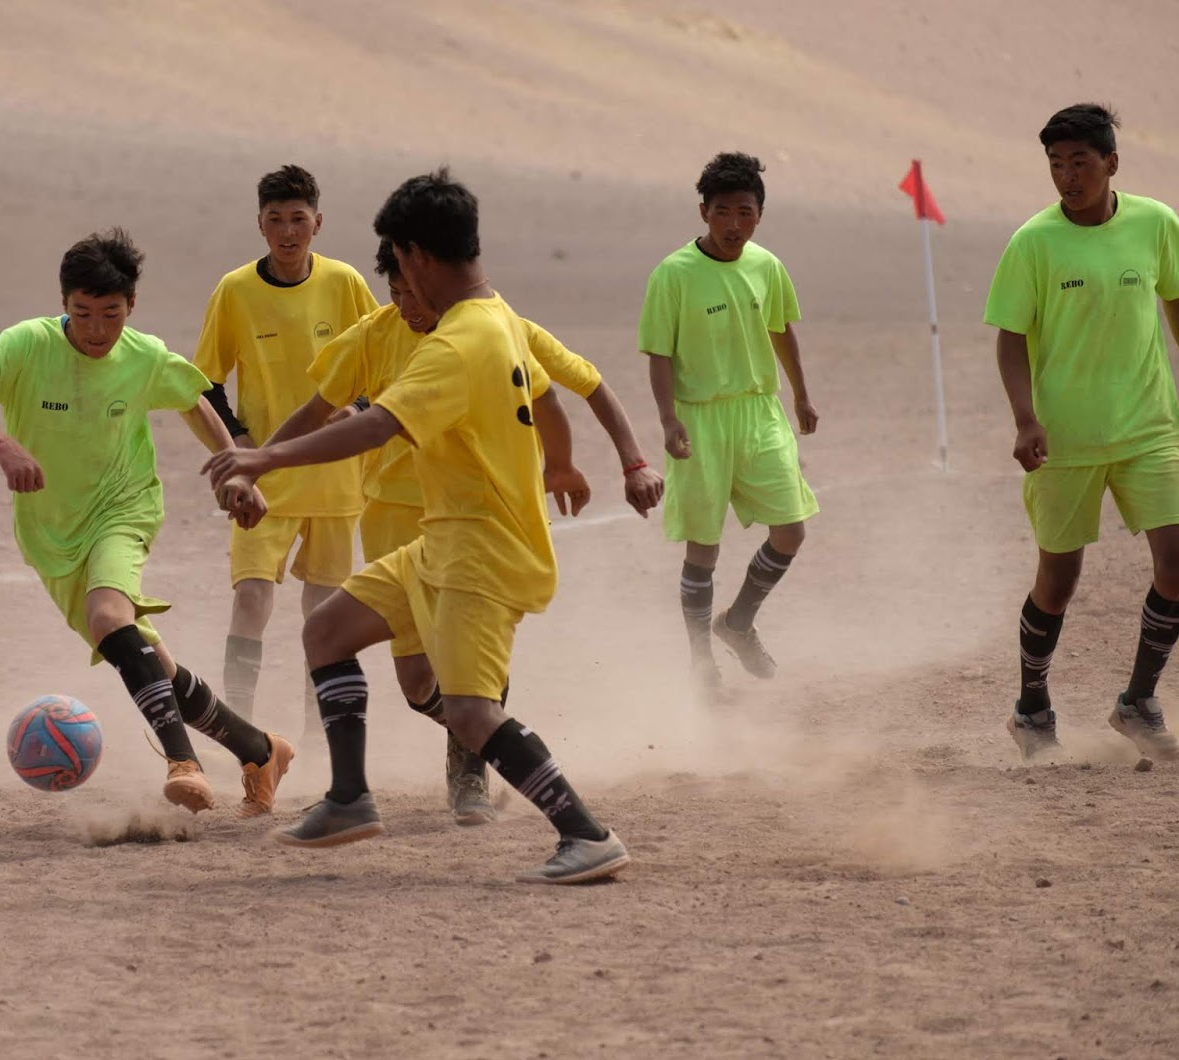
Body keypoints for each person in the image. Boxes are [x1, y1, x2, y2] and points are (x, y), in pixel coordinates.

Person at [205, 169, 630, 884]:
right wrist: (264, 462)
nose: (396, 282)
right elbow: (339, 406)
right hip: (444, 537)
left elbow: (376, 425)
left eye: (398, 265)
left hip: (482, 550)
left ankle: (585, 833)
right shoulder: (492, 318)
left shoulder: (459, 344)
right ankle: (348, 798)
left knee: (468, 713)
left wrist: (265, 454)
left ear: (417, 257)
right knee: (327, 632)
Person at [264, 236, 662, 824]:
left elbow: (570, 388)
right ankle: (454, 755)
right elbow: (320, 411)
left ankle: (472, 776)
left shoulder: (488, 331)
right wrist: (259, 468)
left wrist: (592, 462)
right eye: (394, 292)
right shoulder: (374, 335)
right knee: (414, 678)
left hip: (472, 525)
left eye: (411, 289)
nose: (407, 304)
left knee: (465, 680)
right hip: (392, 520)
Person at [0, 228, 293, 814]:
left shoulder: (142, 354)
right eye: (83, 313)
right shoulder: (24, 346)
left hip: (124, 508)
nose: (98, 329)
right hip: (50, 532)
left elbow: (194, 400)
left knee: (109, 617)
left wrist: (235, 471)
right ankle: (259, 749)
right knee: (140, 653)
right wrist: (4, 446)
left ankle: (184, 763)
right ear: (64, 304)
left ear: (132, 306)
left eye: (112, 314)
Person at [985, 103, 1179, 761]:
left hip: (1151, 427)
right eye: (1056, 164)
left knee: (1177, 560)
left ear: (1112, 164)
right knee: (1058, 582)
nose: (1067, 176)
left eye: (1080, 163)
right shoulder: (1033, 242)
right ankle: (1032, 708)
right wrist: (1024, 418)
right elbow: (1010, 339)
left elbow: (1175, 302)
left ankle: (1138, 702)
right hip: (1062, 439)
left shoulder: (1156, 224)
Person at [192, 164, 379, 737]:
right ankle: (240, 732)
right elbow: (201, 383)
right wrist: (238, 448)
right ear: (260, 226)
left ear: (317, 224)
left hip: (336, 478)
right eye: (276, 220)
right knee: (251, 599)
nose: (288, 231)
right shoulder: (236, 290)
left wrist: (361, 409)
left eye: (298, 219)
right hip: (263, 481)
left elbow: (387, 357)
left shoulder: (345, 283)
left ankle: (319, 735)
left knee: (324, 615)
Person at [638, 152, 819, 694]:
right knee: (704, 547)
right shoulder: (673, 274)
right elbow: (659, 354)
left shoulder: (766, 265)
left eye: (744, 211)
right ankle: (700, 661)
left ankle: (737, 622)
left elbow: (781, 329)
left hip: (759, 410)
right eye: (722, 212)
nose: (733, 224)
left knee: (791, 528)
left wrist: (801, 394)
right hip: (700, 418)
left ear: (759, 215)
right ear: (703, 213)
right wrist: (668, 419)